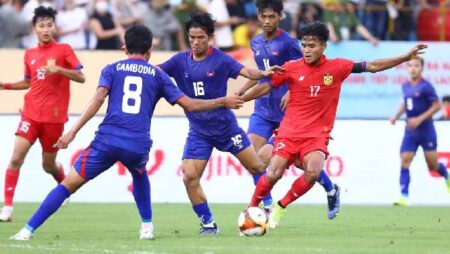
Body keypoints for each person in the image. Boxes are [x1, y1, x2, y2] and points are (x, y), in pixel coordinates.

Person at [9, 24, 245, 241]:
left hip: (106, 141)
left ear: (125, 48)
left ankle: (26, 230)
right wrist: (223, 100)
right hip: (137, 144)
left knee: (67, 185)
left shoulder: (111, 69)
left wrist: (72, 132)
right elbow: (191, 104)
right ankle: (147, 227)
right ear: (150, 50)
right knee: (139, 172)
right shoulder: (158, 75)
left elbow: (97, 100)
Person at [242, 21, 427, 229]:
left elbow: (373, 66)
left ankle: (280, 207)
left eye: (312, 45)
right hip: (289, 132)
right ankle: (250, 208)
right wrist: (243, 99)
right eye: (304, 45)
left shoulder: (338, 67)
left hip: (316, 135)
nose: (307, 50)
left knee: (313, 171)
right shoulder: (291, 68)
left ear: (324, 47)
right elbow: (266, 86)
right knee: (273, 172)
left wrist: (404, 57)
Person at [158, 12, 281, 235]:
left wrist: (262, 72)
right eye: (192, 37)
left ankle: (269, 205)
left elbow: (246, 71)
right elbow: (156, 72)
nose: (195, 42)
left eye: (201, 38)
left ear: (211, 37)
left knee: (256, 166)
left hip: (227, 129)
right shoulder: (179, 61)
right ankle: (208, 223)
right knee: (189, 176)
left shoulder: (221, 60)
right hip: (199, 132)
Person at [237, 0, 340, 219]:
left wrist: (291, 92)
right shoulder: (255, 42)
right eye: (263, 16)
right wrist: (241, 93)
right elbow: (262, 73)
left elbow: (305, 69)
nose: (267, 21)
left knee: (298, 163)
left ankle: (330, 188)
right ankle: (266, 204)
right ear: (257, 16)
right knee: (251, 157)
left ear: (280, 16)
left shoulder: (289, 43)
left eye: (272, 16)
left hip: (288, 114)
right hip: (263, 110)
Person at [0, 6, 85, 222]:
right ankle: (7, 207)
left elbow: (81, 77)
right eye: (42, 26)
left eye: (49, 25)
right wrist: (5, 85)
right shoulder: (29, 53)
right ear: (34, 29)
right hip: (30, 114)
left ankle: (63, 183)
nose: (46, 29)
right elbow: (29, 81)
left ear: (54, 28)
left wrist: (60, 70)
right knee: (16, 157)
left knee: (48, 165)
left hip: (54, 119)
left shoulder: (64, 49)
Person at [390, 56, 450, 206]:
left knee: (433, 165)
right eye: (410, 65)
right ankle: (404, 196)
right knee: (404, 160)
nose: (413, 68)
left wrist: (419, 119)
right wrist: (396, 115)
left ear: (421, 68)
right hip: (410, 131)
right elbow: (406, 102)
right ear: (407, 68)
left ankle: (446, 175)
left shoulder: (426, 86)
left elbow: (437, 106)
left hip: (426, 130)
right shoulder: (405, 86)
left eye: (416, 65)